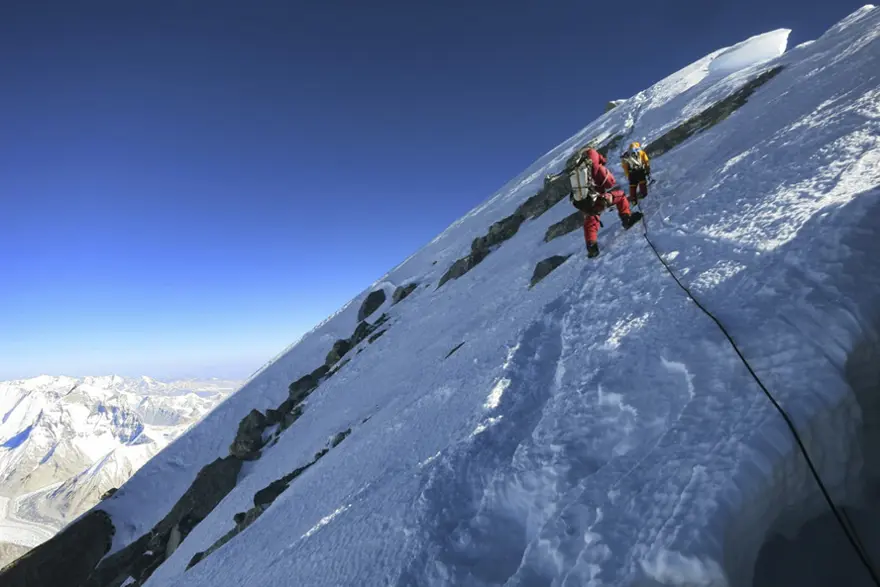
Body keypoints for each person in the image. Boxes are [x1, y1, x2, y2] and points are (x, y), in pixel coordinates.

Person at [568, 147, 642, 258]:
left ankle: (591, 247)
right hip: (598, 198)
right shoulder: (596, 167)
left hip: (583, 202)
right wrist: (603, 169)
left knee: (591, 217)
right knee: (620, 196)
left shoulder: (578, 170)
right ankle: (627, 219)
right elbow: (610, 183)